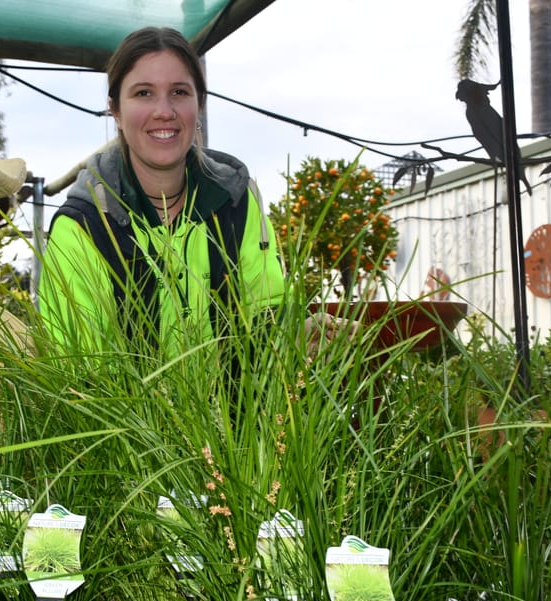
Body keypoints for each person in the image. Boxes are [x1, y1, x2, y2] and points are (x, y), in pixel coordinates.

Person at [38, 26, 346, 356]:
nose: (164, 111)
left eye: (180, 92)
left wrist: (299, 340)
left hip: (239, 410)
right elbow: (82, 371)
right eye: (143, 93)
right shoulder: (84, 226)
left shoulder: (238, 201)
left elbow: (266, 316)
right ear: (115, 110)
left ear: (199, 103)